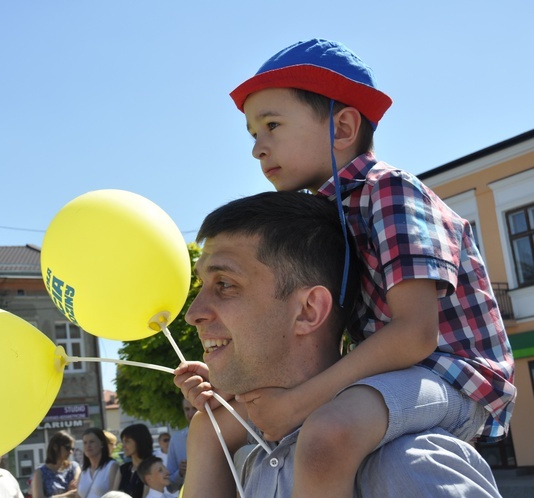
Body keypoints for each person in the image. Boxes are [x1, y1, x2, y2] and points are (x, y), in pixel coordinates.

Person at [220, 38, 516, 497]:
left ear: (342, 126)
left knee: (327, 434)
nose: (258, 148)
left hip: (453, 375)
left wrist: (300, 401)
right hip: (394, 377)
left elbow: (415, 334)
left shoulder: (389, 191)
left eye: (272, 125)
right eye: (253, 134)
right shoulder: (324, 217)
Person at [175, 190, 503, 497]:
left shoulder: (409, 467)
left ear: (309, 310)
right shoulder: (244, 464)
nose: (193, 314)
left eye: (225, 284)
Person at [30, 431, 80, 498]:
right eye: (67, 448)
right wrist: (66, 496)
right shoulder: (40, 473)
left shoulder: (74, 468)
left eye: (72, 449)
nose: (70, 452)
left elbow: (77, 491)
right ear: (55, 447)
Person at [164, 399, 196, 492]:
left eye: (194, 408)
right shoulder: (176, 440)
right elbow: (170, 486)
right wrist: (180, 473)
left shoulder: (219, 435)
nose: (190, 414)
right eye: (187, 409)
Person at [78, 428, 119, 498]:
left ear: (102, 444)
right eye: (85, 442)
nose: (88, 446)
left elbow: (114, 494)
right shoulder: (83, 471)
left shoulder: (112, 466)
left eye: (92, 442)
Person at [115, 424, 153, 498]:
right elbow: (112, 495)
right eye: (123, 441)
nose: (123, 445)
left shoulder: (151, 467)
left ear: (139, 441)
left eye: (127, 441)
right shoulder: (123, 469)